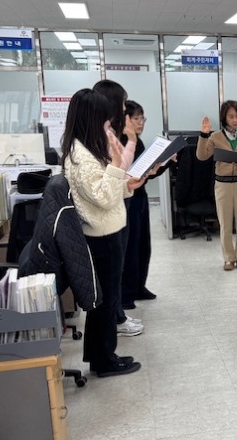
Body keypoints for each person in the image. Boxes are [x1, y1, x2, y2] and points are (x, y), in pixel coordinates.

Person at [61, 88, 146, 377]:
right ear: (91, 118)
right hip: (102, 237)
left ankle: (100, 355)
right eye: (104, 119)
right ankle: (104, 361)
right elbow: (103, 197)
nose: (108, 124)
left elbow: (105, 190)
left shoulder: (84, 148)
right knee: (106, 302)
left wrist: (126, 185)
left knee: (105, 301)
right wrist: (116, 168)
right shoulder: (81, 157)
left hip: (107, 230)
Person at [93, 80, 144, 337]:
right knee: (112, 271)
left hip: (120, 197)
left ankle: (118, 316)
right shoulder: (104, 134)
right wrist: (132, 140)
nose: (124, 109)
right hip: (111, 206)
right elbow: (121, 167)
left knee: (117, 267)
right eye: (122, 103)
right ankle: (116, 319)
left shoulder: (107, 131)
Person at [197, 101, 237, 270]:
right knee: (225, 224)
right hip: (223, 185)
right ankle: (228, 258)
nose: (235, 120)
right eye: (231, 116)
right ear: (224, 118)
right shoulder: (216, 137)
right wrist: (203, 135)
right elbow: (202, 156)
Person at [121, 101, 171, 307]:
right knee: (131, 247)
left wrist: (165, 162)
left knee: (143, 245)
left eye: (143, 118)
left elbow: (145, 174)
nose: (141, 122)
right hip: (128, 199)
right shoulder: (123, 143)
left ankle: (139, 287)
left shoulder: (138, 142)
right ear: (125, 120)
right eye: (136, 118)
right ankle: (126, 294)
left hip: (140, 196)